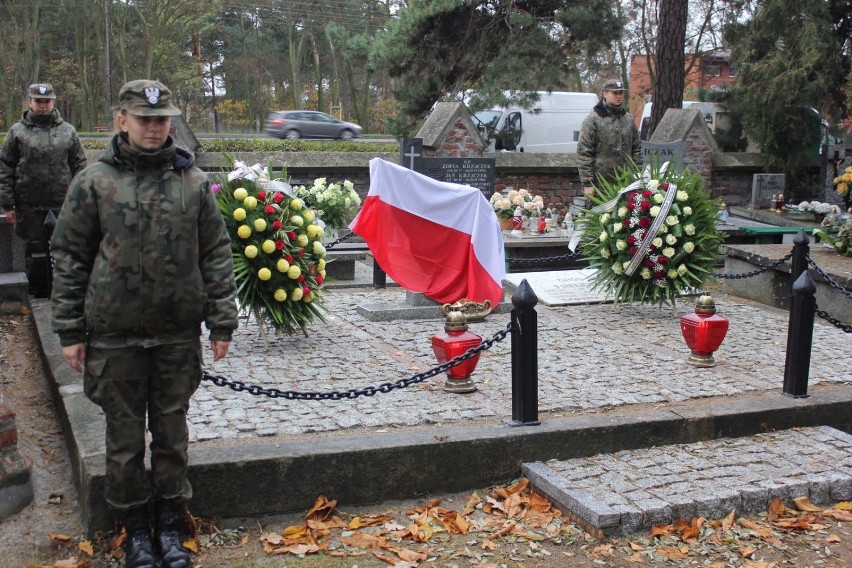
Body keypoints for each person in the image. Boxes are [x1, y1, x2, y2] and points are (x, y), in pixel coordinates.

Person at [50, 79, 238, 568]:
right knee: (124, 438)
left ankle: (171, 525)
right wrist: (70, 330)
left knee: (173, 433)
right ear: (122, 121)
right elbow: (70, 256)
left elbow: (216, 253)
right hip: (115, 337)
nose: (155, 128)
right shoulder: (94, 182)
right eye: (145, 119)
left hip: (177, 335)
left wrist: (221, 321)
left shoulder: (192, 182)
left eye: (162, 120)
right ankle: (135, 530)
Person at [0, 83, 87, 297]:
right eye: (38, 101)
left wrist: (81, 200)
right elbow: (5, 168)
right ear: (30, 102)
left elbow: (80, 167)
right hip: (29, 204)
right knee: (34, 250)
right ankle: (37, 291)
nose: (43, 105)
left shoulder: (67, 131)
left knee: (66, 248)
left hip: (63, 203)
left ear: (53, 102)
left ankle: (65, 290)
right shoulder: (17, 132)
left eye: (47, 101)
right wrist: (8, 204)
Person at [577, 79, 642, 196]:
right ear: (605, 94)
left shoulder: (628, 119)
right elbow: (584, 152)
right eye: (614, 93)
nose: (618, 96)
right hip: (601, 184)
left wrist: (637, 174)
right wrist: (588, 183)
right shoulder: (593, 120)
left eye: (620, 93)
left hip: (627, 181)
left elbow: (636, 149)